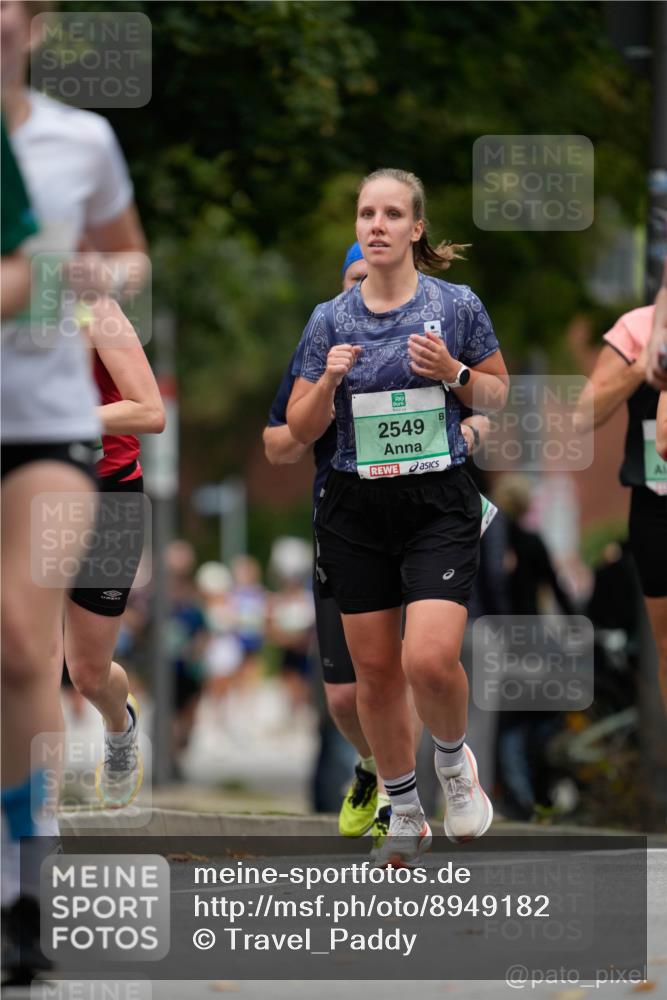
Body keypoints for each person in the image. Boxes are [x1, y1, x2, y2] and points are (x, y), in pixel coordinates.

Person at [287, 168, 508, 866]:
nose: (375, 225)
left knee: (429, 659)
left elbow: (498, 398)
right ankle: (404, 805)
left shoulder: (456, 305)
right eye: (365, 214)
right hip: (354, 506)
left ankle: (450, 762)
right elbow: (297, 426)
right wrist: (326, 379)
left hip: (435, 498)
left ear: (416, 228)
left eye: (390, 214)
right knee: (375, 674)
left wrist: (453, 372)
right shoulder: (329, 319)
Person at [1, 118, 99, 983]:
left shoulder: (76, 142)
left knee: (25, 644)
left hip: (48, 436)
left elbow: (122, 258)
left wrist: (85, 286)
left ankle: (27, 887)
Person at [56, 296, 164, 808]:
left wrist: (57, 416)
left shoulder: (93, 308)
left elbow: (150, 410)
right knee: (27, 658)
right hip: (34, 497)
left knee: (87, 673)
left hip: (109, 497)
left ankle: (120, 727)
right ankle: (36, 815)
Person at [576, 305, 667, 712]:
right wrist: (641, 366)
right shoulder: (637, 326)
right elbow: (583, 415)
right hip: (655, 500)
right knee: (665, 643)